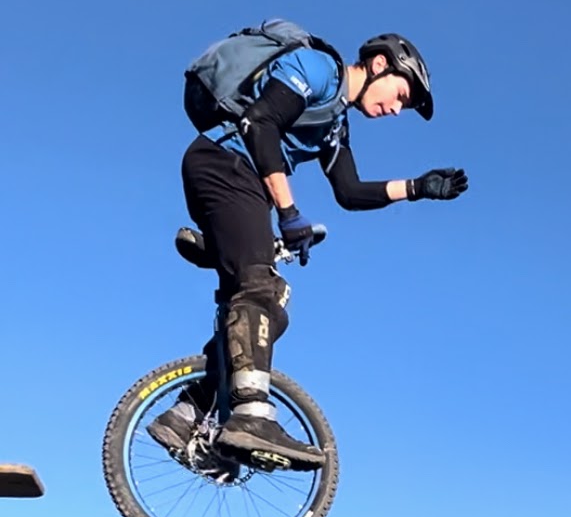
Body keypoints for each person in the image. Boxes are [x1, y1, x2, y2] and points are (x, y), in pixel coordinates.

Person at [149, 28, 468, 470]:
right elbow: (259, 123)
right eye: (401, 95)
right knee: (262, 291)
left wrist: (417, 188)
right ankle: (251, 417)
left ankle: (185, 414)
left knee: (262, 312)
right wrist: (289, 212)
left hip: (241, 183)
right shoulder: (317, 69)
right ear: (380, 65)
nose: (397, 109)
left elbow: (349, 191)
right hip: (225, 166)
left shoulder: (334, 125)